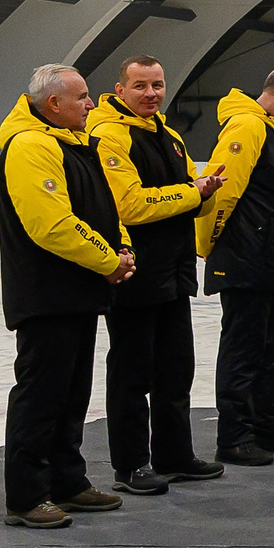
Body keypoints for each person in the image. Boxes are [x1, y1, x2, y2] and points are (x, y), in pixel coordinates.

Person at [0, 65, 133, 530]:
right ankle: (27, 495)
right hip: (46, 294)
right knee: (41, 395)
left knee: (72, 394)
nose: (91, 105)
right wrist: (107, 260)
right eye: (82, 97)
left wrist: (121, 248)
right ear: (53, 104)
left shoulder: (69, 142)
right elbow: (51, 224)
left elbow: (103, 207)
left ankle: (67, 481)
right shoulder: (32, 146)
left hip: (75, 291)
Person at [88, 57, 225, 496]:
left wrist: (204, 194)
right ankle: (130, 465)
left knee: (175, 368)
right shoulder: (110, 134)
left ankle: (174, 455)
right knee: (132, 373)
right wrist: (192, 192)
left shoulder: (168, 134)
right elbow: (128, 206)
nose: (151, 93)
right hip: (135, 272)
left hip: (175, 270)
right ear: (120, 89)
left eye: (158, 85)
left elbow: (187, 197)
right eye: (141, 85)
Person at [198, 64, 274, 466]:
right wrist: (208, 245)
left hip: (270, 261)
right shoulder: (248, 128)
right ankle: (233, 437)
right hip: (246, 261)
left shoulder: (269, 131)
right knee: (243, 352)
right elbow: (223, 190)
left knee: (272, 349)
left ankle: (267, 424)